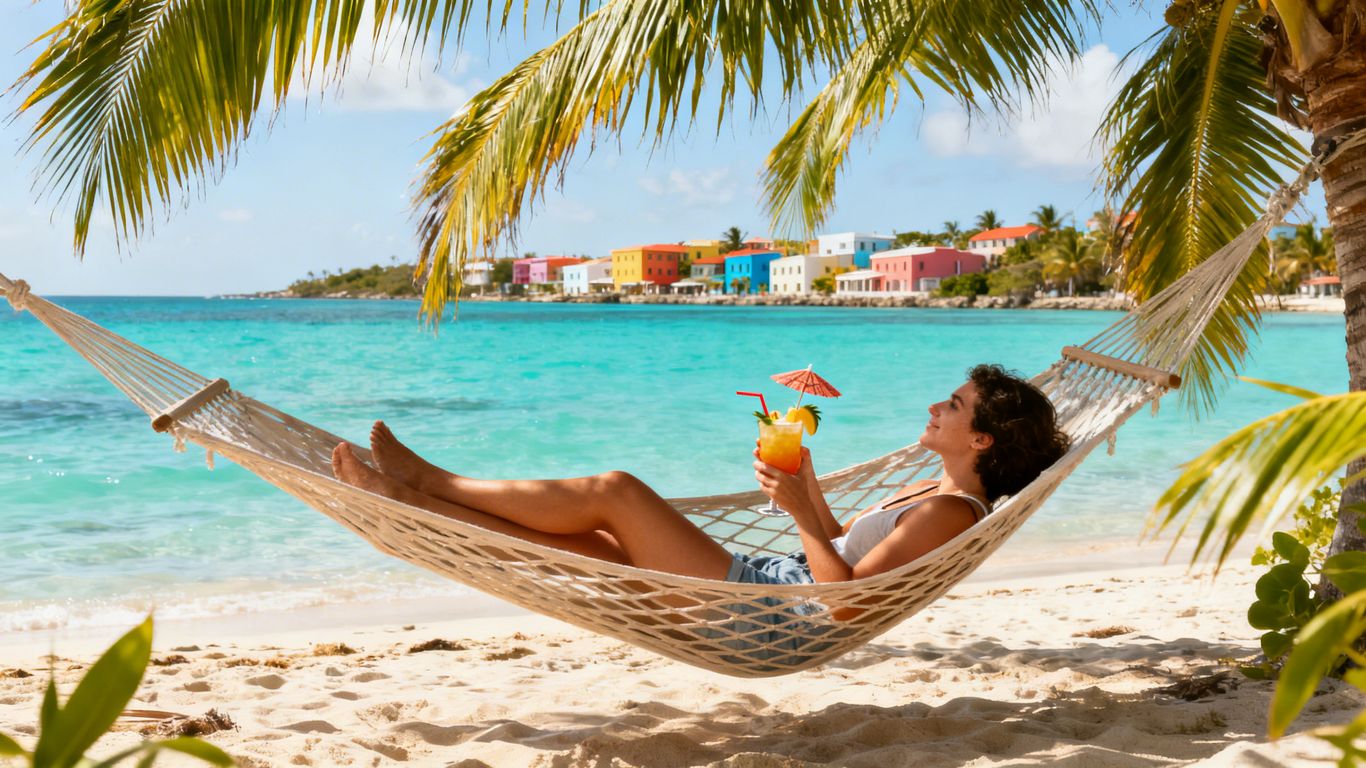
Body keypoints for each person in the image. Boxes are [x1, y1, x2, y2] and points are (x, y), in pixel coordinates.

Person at [330, 364, 1070, 617]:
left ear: (983, 441)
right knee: (591, 546)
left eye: (955, 406)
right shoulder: (932, 491)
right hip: (774, 590)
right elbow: (848, 553)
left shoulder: (950, 510)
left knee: (617, 491)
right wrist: (807, 490)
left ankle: (430, 480)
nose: (936, 408)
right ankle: (422, 506)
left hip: (770, 614)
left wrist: (794, 519)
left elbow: (842, 604)